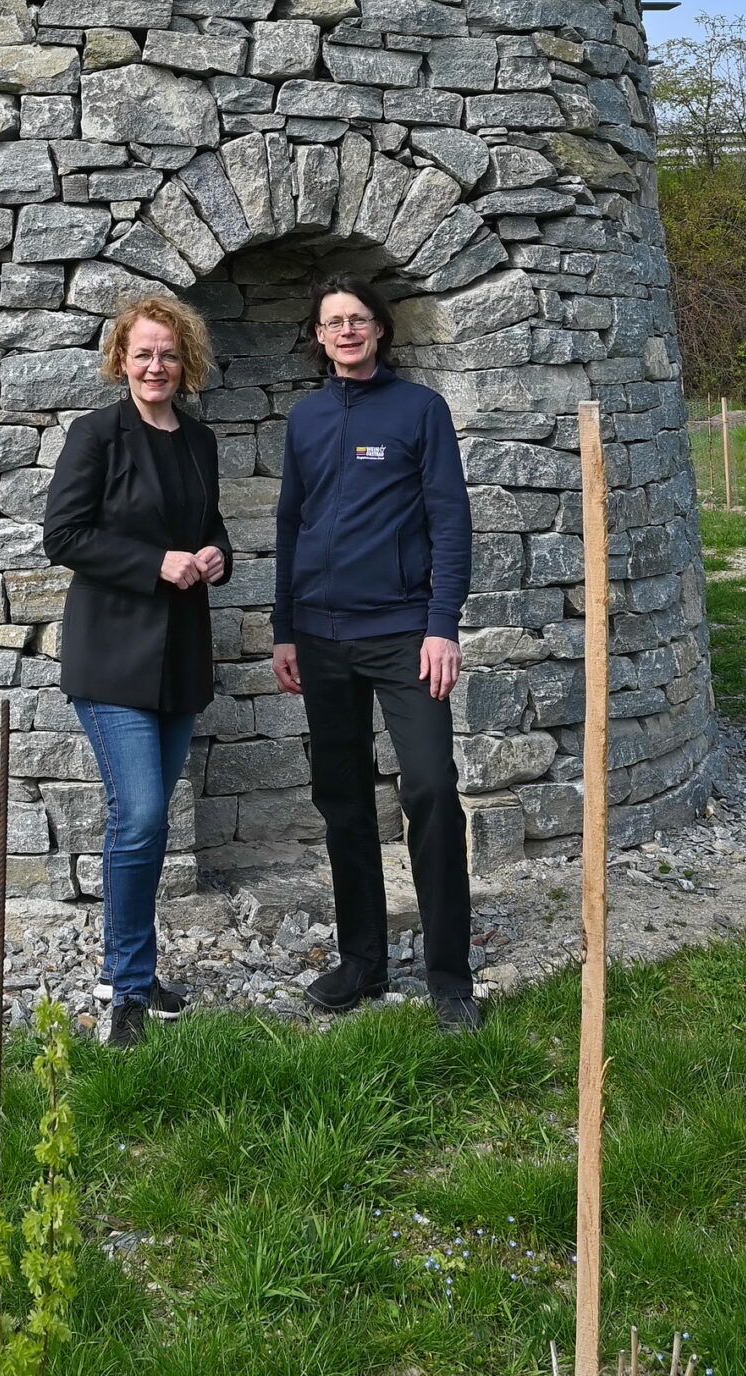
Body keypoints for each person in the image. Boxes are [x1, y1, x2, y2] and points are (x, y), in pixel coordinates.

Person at [271, 269, 481, 1029]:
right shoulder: (304, 419)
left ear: (380, 329)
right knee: (343, 803)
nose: (346, 331)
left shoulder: (419, 411)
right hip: (321, 640)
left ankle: (449, 976)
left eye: (357, 318)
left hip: (401, 636)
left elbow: (449, 523)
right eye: (332, 322)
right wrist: (283, 630)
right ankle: (361, 962)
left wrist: (441, 625)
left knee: (428, 787)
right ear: (319, 337)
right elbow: (290, 525)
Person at [43, 292, 232, 1047]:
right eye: (142, 352)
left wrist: (217, 556)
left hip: (179, 658)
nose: (155, 365)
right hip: (112, 656)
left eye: (168, 353)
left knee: (147, 825)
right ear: (120, 359)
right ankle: (124, 989)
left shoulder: (198, 440)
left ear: (186, 364)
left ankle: (135, 970)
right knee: (142, 816)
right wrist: (157, 563)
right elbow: (63, 535)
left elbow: (207, 527)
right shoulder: (96, 435)